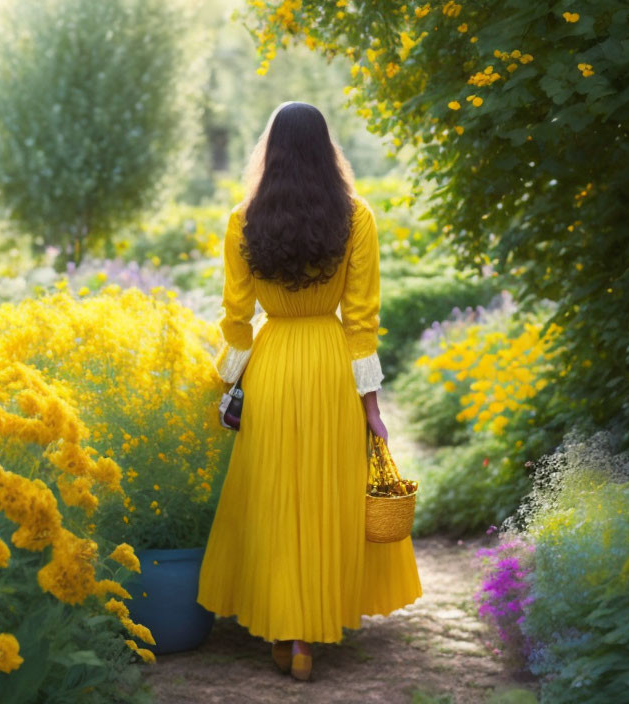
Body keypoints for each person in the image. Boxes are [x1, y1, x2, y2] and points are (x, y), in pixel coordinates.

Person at [196, 101, 422, 682]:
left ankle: (281, 628)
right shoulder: (357, 217)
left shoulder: (243, 220)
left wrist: (227, 384)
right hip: (329, 369)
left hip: (272, 368)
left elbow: (237, 317)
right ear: (327, 150)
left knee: (274, 497)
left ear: (270, 151)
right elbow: (362, 319)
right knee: (324, 498)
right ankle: (306, 639)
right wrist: (371, 404)